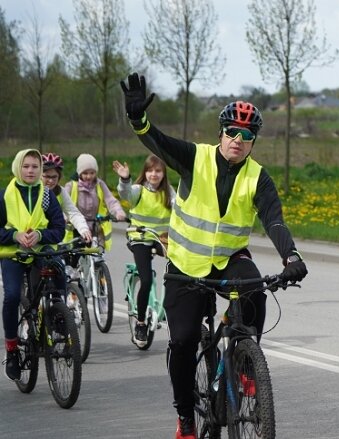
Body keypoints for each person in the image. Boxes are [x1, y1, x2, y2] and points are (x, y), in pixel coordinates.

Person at [120, 72, 309, 439]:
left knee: (255, 288)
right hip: (185, 267)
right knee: (185, 340)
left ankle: (244, 366)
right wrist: (138, 119)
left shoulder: (259, 178)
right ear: (221, 133)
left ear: (254, 142)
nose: (238, 140)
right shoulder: (196, 158)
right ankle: (186, 418)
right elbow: (156, 141)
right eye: (232, 132)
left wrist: (291, 257)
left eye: (247, 135)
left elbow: (274, 220)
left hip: (228, 261)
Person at [1, 149, 66, 381]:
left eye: (35, 167)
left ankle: (60, 316)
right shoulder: (4, 196)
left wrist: (40, 234)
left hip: (39, 250)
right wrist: (14, 236)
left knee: (58, 269)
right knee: (10, 296)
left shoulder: (47, 195)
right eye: (26, 166)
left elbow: (59, 229)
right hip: (12, 253)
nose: (31, 171)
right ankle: (11, 352)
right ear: (18, 167)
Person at [112, 154, 175, 347]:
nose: (154, 174)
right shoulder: (138, 190)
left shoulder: (169, 192)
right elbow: (125, 194)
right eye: (150, 170)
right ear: (144, 173)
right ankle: (140, 323)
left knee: (179, 269)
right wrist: (124, 179)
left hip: (160, 239)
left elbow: (180, 210)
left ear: (164, 173)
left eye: (158, 170)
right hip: (140, 239)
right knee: (146, 279)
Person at [62, 153, 126, 253]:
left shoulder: (99, 185)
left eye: (92, 173)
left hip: (96, 226)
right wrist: (64, 216)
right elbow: (63, 204)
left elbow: (110, 200)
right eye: (85, 173)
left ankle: (98, 267)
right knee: (75, 255)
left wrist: (118, 212)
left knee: (98, 254)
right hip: (76, 227)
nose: (89, 176)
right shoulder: (71, 186)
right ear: (79, 173)